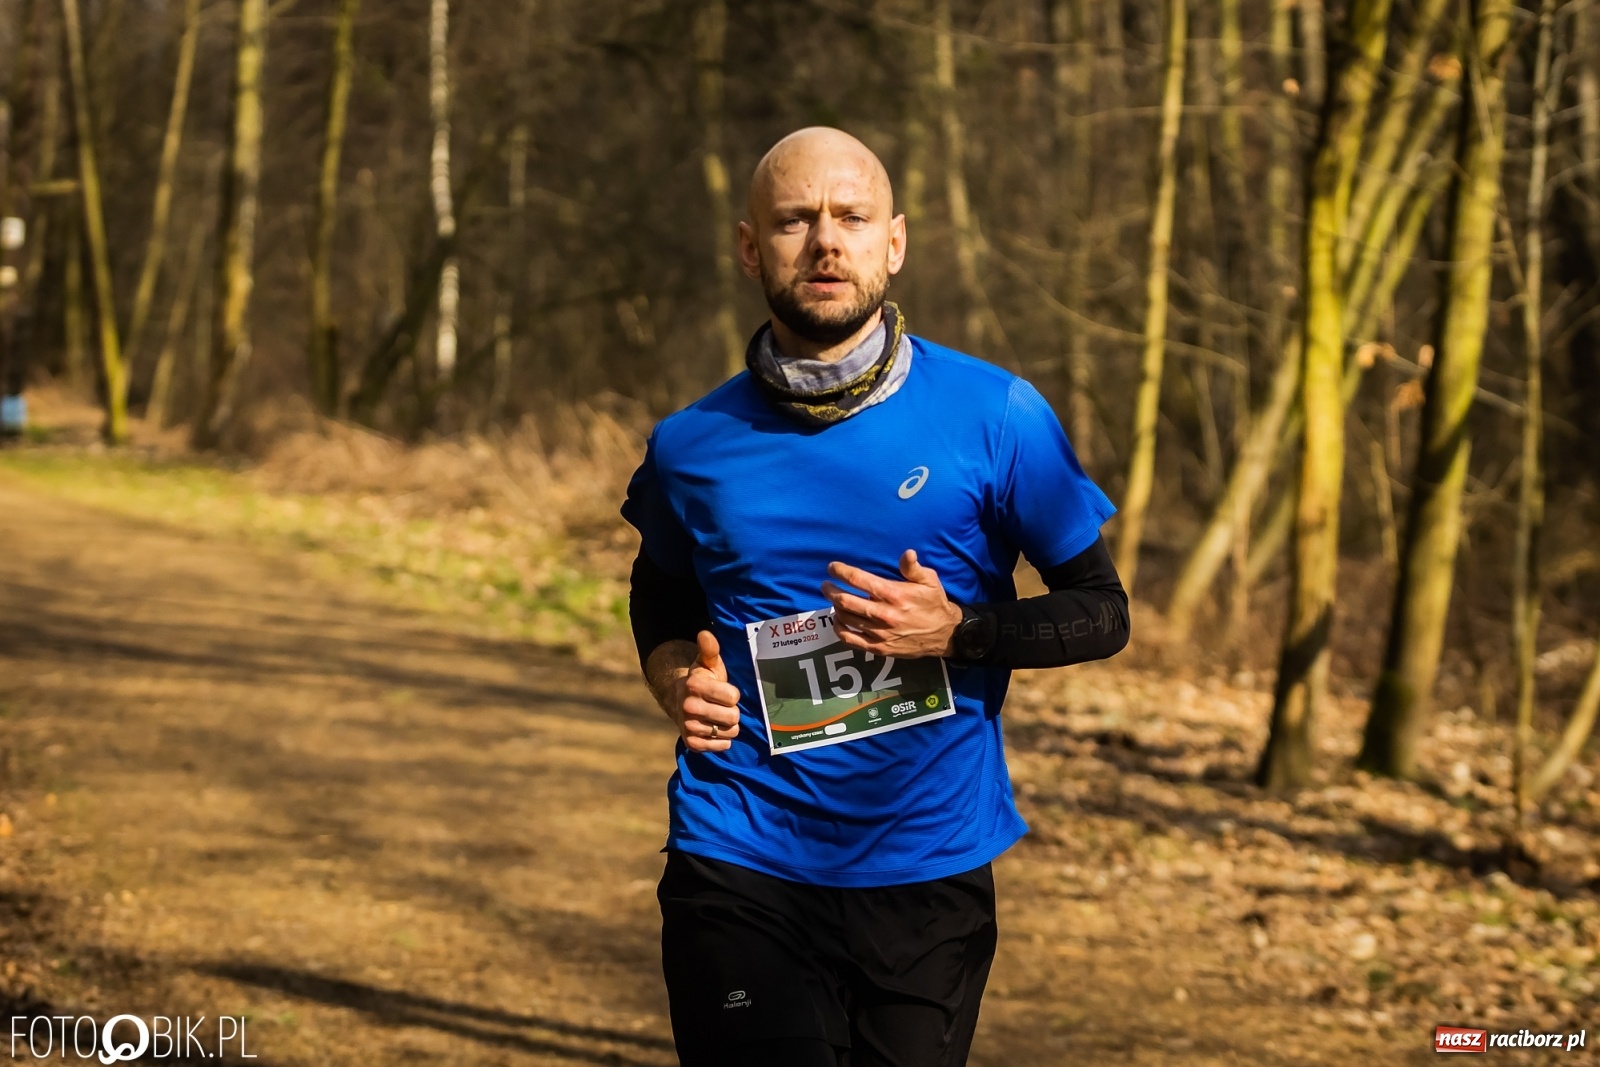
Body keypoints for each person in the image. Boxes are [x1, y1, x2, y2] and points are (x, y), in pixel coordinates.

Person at [622, 127, 1128, 1067]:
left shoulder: (997, 414)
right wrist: (669, 680)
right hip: (738, 853)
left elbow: (1103, 609)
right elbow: (659, 592)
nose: (824, 242)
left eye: (850, 217)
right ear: (748, 248)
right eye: (794, 220)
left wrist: (962, 628)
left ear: (893, 243)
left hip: (925, 869)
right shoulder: (690, 446)